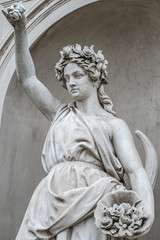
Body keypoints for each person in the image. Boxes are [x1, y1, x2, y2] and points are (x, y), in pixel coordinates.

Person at [2, 3, 155, 240]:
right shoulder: (58, 113)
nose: (70, 82)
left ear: (94, 78)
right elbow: (28, 78)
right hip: (50, 199)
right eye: (66, 77)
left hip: (95, 198)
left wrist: (146, 209)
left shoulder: (113, 125)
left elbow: (136, 170)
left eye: (77, 75)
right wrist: (20, 30)